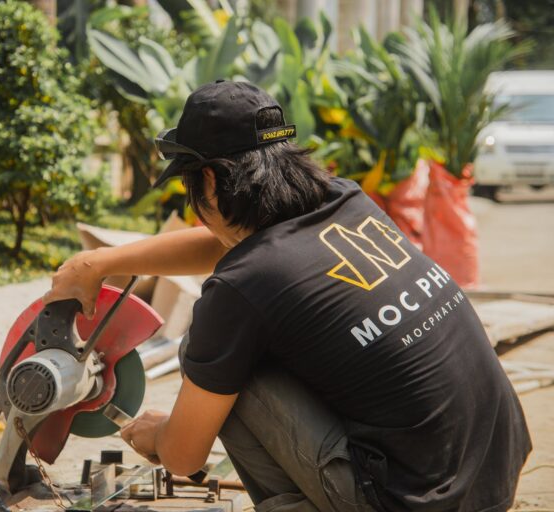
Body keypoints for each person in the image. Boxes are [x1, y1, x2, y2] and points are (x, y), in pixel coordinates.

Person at [42, 80, 531, 512]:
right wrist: (98, 262)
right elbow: (234, 247)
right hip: (493, 475)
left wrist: (164, 436)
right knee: (246, 347)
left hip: (411, 502)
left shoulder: (242, 288)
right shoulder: (347, 201)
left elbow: (184, 457)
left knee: (215, 355)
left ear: (208, 179)